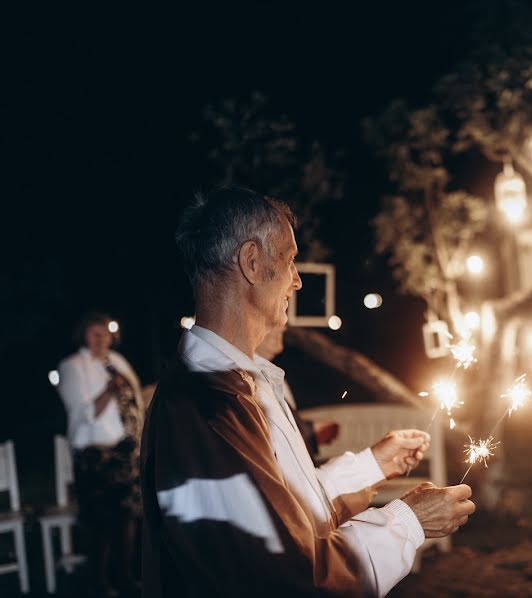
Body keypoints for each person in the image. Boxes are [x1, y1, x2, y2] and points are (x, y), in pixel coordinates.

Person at [141, 187, 475, 597]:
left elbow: (289, 508)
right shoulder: (204, 403)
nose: (297, 281)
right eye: (290, 261)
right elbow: (283, 572)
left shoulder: (244, 383)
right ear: (251, 262)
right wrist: (407, 523)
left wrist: (373, 464)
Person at [57, 311, 144, 596]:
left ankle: (125, 576)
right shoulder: (72, 366)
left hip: (125, 453)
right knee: (102, 522)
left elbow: (134, 400)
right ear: (83, 334)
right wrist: (109, 390)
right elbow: (82, 414)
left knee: (128, 517)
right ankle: (99, 582)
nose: (102, 339)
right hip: (94, 455)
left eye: (105, 333)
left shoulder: (117, 363)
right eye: (95, 333)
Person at [256, 323, 339, 458]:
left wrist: (312, 429)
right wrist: (311, 432)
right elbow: (275, 439)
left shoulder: (273, 376)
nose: (279, 347)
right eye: (276, 335)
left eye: (282, 336)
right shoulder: (250, 381)